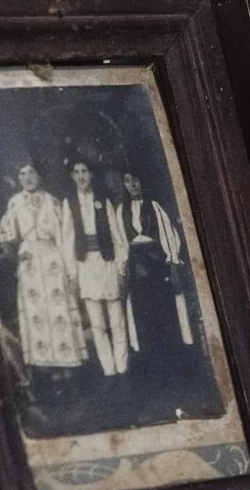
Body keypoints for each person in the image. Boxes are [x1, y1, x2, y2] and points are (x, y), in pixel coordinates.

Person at [0, 161, 88, 370]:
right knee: (36, 314)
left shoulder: (52, 202)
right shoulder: (15, 203)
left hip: (53, 261)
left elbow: (65, 239)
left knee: (58, 311)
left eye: (32, 173)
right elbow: (6, 234)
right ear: (18, 178)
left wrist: (71, 273)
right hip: (30, 265)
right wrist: (17, 256)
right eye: (22, 173)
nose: (28, 178)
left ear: (39, 176)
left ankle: (68, 368)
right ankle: (45, 369)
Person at [59, 159, 130, 376]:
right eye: (76, 172)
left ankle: (123, 369)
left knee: (116, 321)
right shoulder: (69, 203)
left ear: (91, 175)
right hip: (85, 267)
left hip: (107, 263)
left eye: (85, 171)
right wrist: (73, 274)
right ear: (72, 176)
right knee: (97, 324)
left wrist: (120, 268)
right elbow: (67, 240)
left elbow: (117, 235)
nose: (81, 176)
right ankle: (109, 371)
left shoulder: (102, 200)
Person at [118, 168, 194, 358]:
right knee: (142, 313)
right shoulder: (121, 210)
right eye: (128, 181)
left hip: (156, 265)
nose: (133, 185)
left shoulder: (154, 206)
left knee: (163, 310)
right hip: (136, 267)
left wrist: (173, 262)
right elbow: (120, 241)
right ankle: (151, 360)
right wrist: (123, 269)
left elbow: (168, 235)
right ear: (124, 185)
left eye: (136, 180)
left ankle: (171, 357)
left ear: (142, 182)